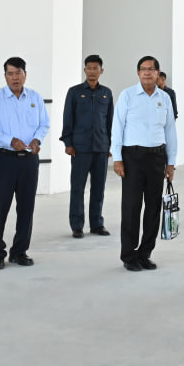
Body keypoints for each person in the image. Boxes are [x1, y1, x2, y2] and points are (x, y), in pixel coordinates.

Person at [111, 56, 177, 272]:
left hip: (157, 157)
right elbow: (117, 127)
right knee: (131, 207)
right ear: (138, 73)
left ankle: (145, 253)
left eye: (151, 69)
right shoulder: (127, 95)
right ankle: (129, 255)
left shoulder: (165, 98)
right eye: (143, 69)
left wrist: (171, 162)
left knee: (153, 208)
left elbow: (170, 130)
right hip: (133, 157)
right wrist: (117, 158)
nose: (147, 72)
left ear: (158, 72)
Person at [0, 57, 50, 270]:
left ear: (25, 74)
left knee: (26, 208)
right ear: (5, 76)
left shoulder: (35, 97)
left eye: (18, 73)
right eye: (10, 73)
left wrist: (37, 140)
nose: (15, 78)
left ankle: (19, 251)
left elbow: (44, 124)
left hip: (29, 161)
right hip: (3, 160)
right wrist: (10, 141)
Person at [62, 54, 114, 237]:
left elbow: (110, 121)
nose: (92, 71)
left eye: (95, 68)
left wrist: (111, 145)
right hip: (80, 148)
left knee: (98, 188)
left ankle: (97, 224)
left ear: (101, 71)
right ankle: (77, 225)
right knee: (78, 188)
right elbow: (68, 118)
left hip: (101, 147)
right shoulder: (74, 92)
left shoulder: (106, 93)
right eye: (89, 68)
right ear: (85, 70)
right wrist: (68, 143)